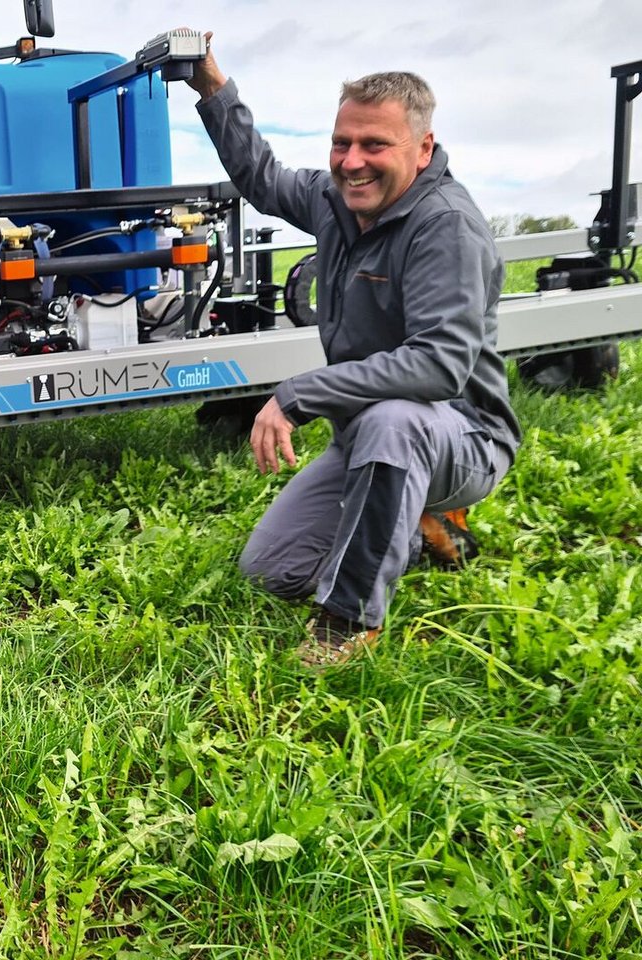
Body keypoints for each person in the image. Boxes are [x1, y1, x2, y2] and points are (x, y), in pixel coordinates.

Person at [184, 37, 520, 666]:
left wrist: (297, 394)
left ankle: (347, 621)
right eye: (342, 143)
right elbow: (263, 178)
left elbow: (439, 366)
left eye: (374, 145)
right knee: (272, 569)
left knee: (396, 421)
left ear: (422, 150)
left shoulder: (445, 227)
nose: (352, 161)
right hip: (370, 436)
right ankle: (416, 530)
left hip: (463, 436)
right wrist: (212, 89)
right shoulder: (335, 203)